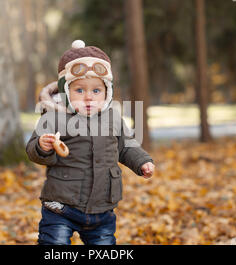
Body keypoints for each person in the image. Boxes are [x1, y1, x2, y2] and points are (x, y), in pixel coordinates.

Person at [26, 40, 155, 245]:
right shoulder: (53, 118)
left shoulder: (112, 118)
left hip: (102, 209)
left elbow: (126, 145)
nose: (88, 97)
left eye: (96, 91)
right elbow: (32, 150)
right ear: (65, 91)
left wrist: (142, 162)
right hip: (61, 206)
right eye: (80, 91)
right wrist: (42, 146)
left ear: (107, 92)